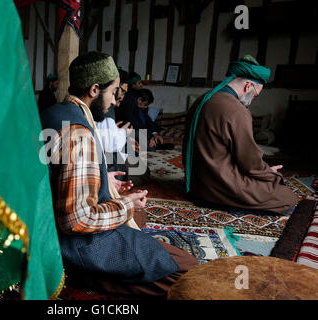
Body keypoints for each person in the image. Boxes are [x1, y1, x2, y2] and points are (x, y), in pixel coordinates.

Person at [40, 52, 197, 297]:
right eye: (114, 93)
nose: (117, 102)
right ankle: (82, 275)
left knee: (140, 218)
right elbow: (77, 221)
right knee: (187, 271)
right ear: (94, 89)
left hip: (47, 225)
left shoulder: (54, 112)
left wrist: (104, 181)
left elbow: (56, 176)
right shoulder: (79, 134)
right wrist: (125, 205)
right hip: (72, 244)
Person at [182, 55, 297, 215]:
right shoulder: (236, 110)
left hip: (197, 184)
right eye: (255, 95)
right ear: (248, 86)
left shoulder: (202, 100)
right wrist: (270, 173)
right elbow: (249, 163)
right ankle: (229, 204)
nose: (250, 102)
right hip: (220, 185)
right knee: (287, 198)